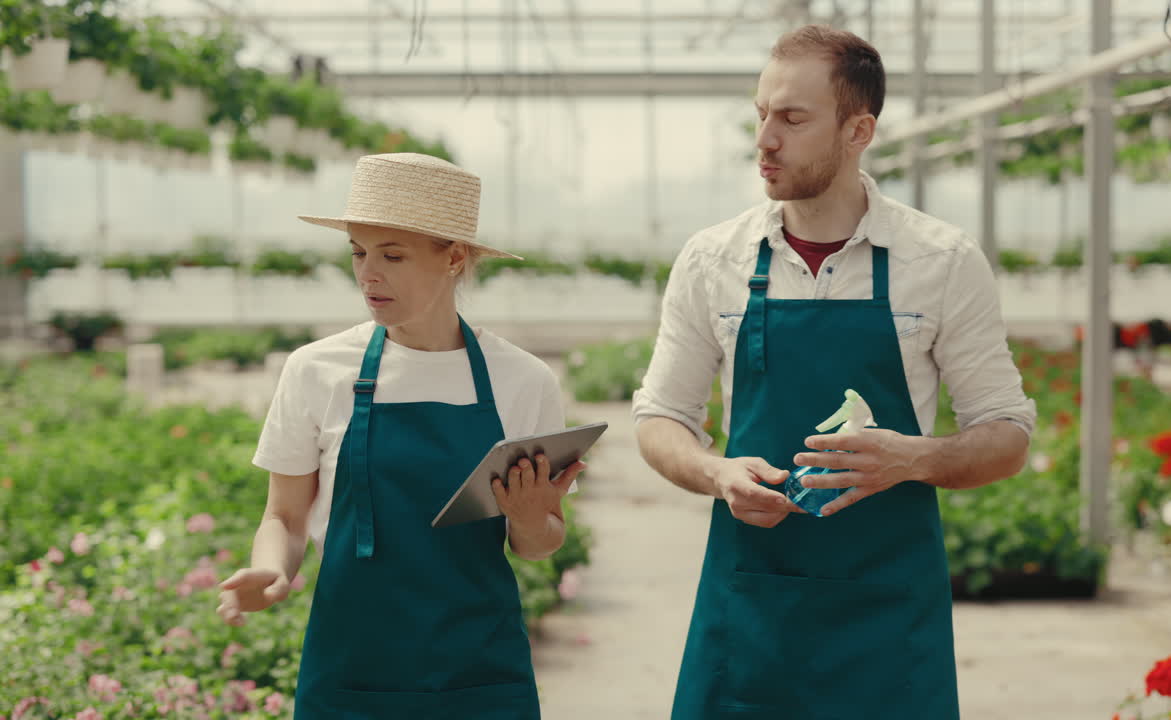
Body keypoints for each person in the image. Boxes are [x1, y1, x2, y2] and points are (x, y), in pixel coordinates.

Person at [632, 25, 1036, 719]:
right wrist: (717, 471)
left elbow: (1007, 434)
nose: (765, 138)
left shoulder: (939, 261)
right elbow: (660, 417)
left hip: (888, 615)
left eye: (791, 118)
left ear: (859, 130)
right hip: (752, 604)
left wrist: (915, 459)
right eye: (761, 114)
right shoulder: (713, 260)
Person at [215, 153, 583, 719]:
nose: (368, 274)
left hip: (480, 675)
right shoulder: (316, 370)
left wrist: (533, 517)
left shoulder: (522, 380)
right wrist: (271, 570)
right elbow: (284, 517)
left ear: (455, 258)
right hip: (351, 672)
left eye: (393, 255)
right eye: (358, 253)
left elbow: (538, 545)